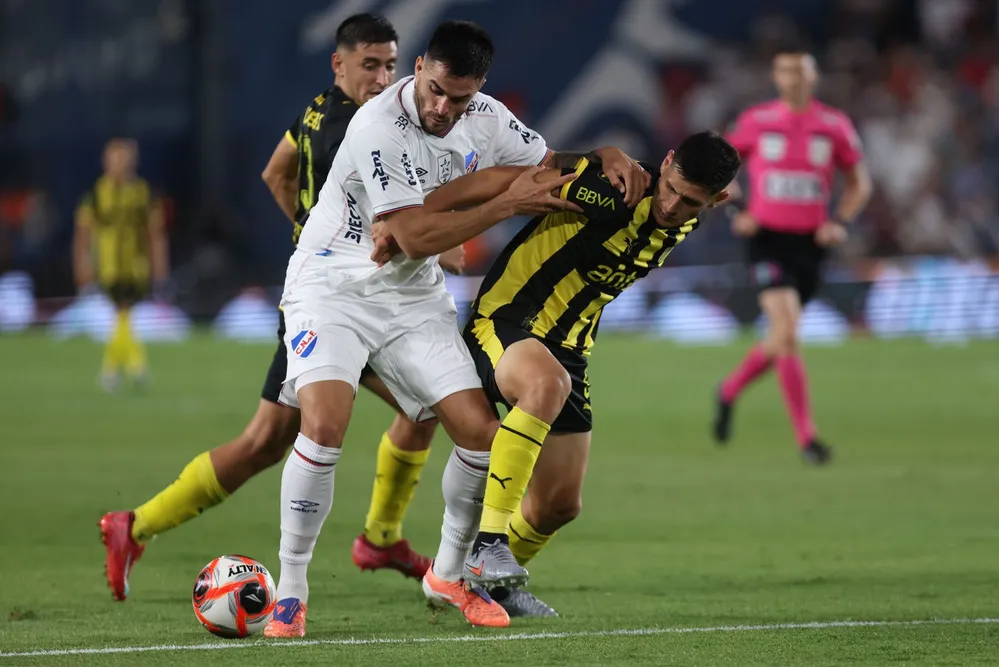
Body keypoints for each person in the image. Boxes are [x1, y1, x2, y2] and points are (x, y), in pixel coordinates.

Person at [264, 19, 649, 635]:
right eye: (437, 90)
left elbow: (546, 165)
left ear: (480, 89)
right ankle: (291, 587)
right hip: (331, 287)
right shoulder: (377, 125)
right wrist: (504, 204)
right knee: (326, 422)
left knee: (480, 432)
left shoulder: (488, 116)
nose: (444, 108)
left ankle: (447, 576)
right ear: (419, 67)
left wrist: (600, 155)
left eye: (460, 98)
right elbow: (413, 236)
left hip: (412, 300)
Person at [98, 14, 454, 603]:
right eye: (371, 64)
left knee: (267, 441)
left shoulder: (315, 110)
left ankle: (133, 526)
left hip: (324, 297)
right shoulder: (361, 128)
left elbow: (275, 171)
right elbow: (397, 216)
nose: (383, 76)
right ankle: (381, 537)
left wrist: (313, 233)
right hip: (345, 305)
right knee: (435, 404)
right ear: (339, 64)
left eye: (390, 64)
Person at [375, 131, 741, 617]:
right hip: (505, 321)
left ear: (717, 200)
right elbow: (504, 180)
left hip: (569, 350)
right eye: (671, 187)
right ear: (667, 163)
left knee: (559, 506)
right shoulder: (613, 188)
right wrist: (412, 215)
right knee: (539, 387)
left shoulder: (683, 222)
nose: (672, 205)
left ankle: (486, 587)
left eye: (690, 201)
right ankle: (484, 547)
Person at [713, 46, 872, 464]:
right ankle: (807, 439)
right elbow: (720, 167)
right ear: (776, 77)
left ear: (813, 76)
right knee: (788, 334)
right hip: (766, 239)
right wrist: (738, 208)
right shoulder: (757, 121)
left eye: (800, 71)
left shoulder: (833, 125)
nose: (793, 78)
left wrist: (840, 219)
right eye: (785, 71)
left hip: (810, 246)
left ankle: (728, 391)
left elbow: (859, 183)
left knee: (779, 339)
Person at [74, 138, 168, 391]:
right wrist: (83, 266)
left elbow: (154, 231)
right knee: (123, 312)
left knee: (122, 313)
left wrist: (159, 268)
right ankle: (132, 366)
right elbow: (83, 233)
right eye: (115, 159)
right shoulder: (96, 194)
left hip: (135, 264)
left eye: (124, 159)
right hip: (107, 264)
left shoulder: (142, 193)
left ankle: (114, 370)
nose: (120, 165)